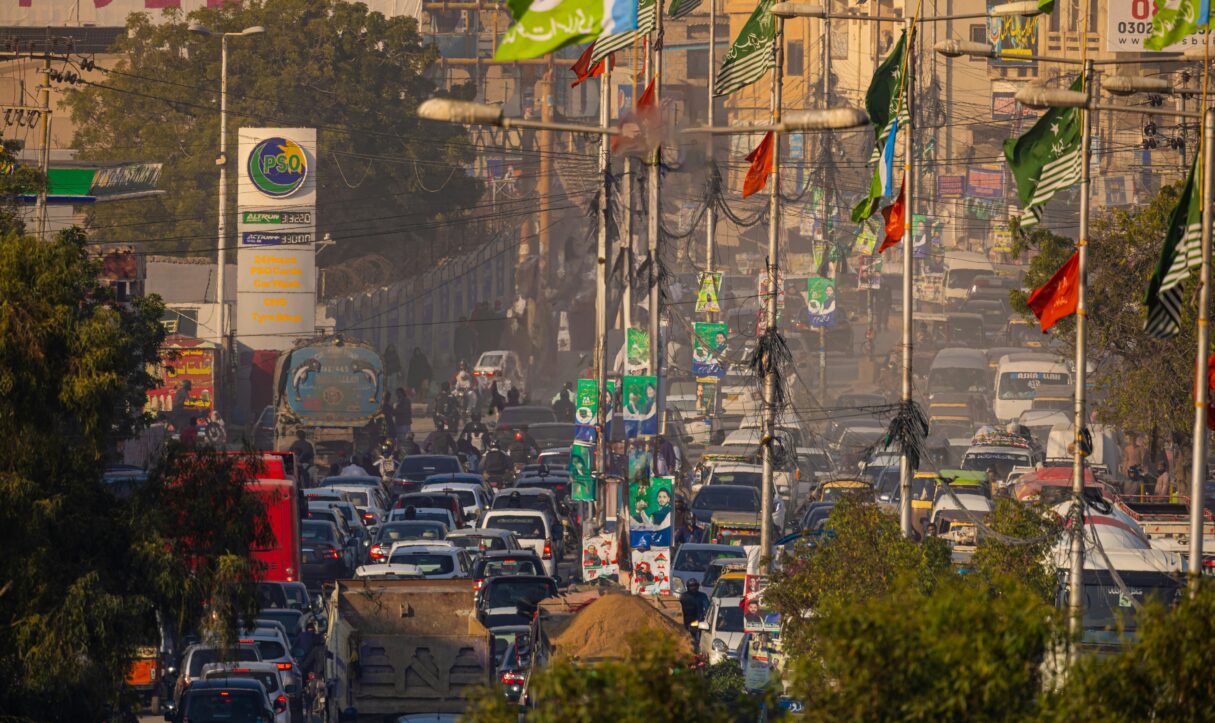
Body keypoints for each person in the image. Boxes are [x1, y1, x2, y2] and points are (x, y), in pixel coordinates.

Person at [679, 579, 710, 647]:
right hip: (685, 620)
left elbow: (708, 607)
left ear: (698, 586)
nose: (693, 588)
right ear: (688, 587)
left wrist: (706, 615)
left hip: (698, 619)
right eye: (691, 586)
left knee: (701, 637)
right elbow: (679, 608)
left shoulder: (702, 596)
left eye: (695, 586)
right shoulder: (683, 596)